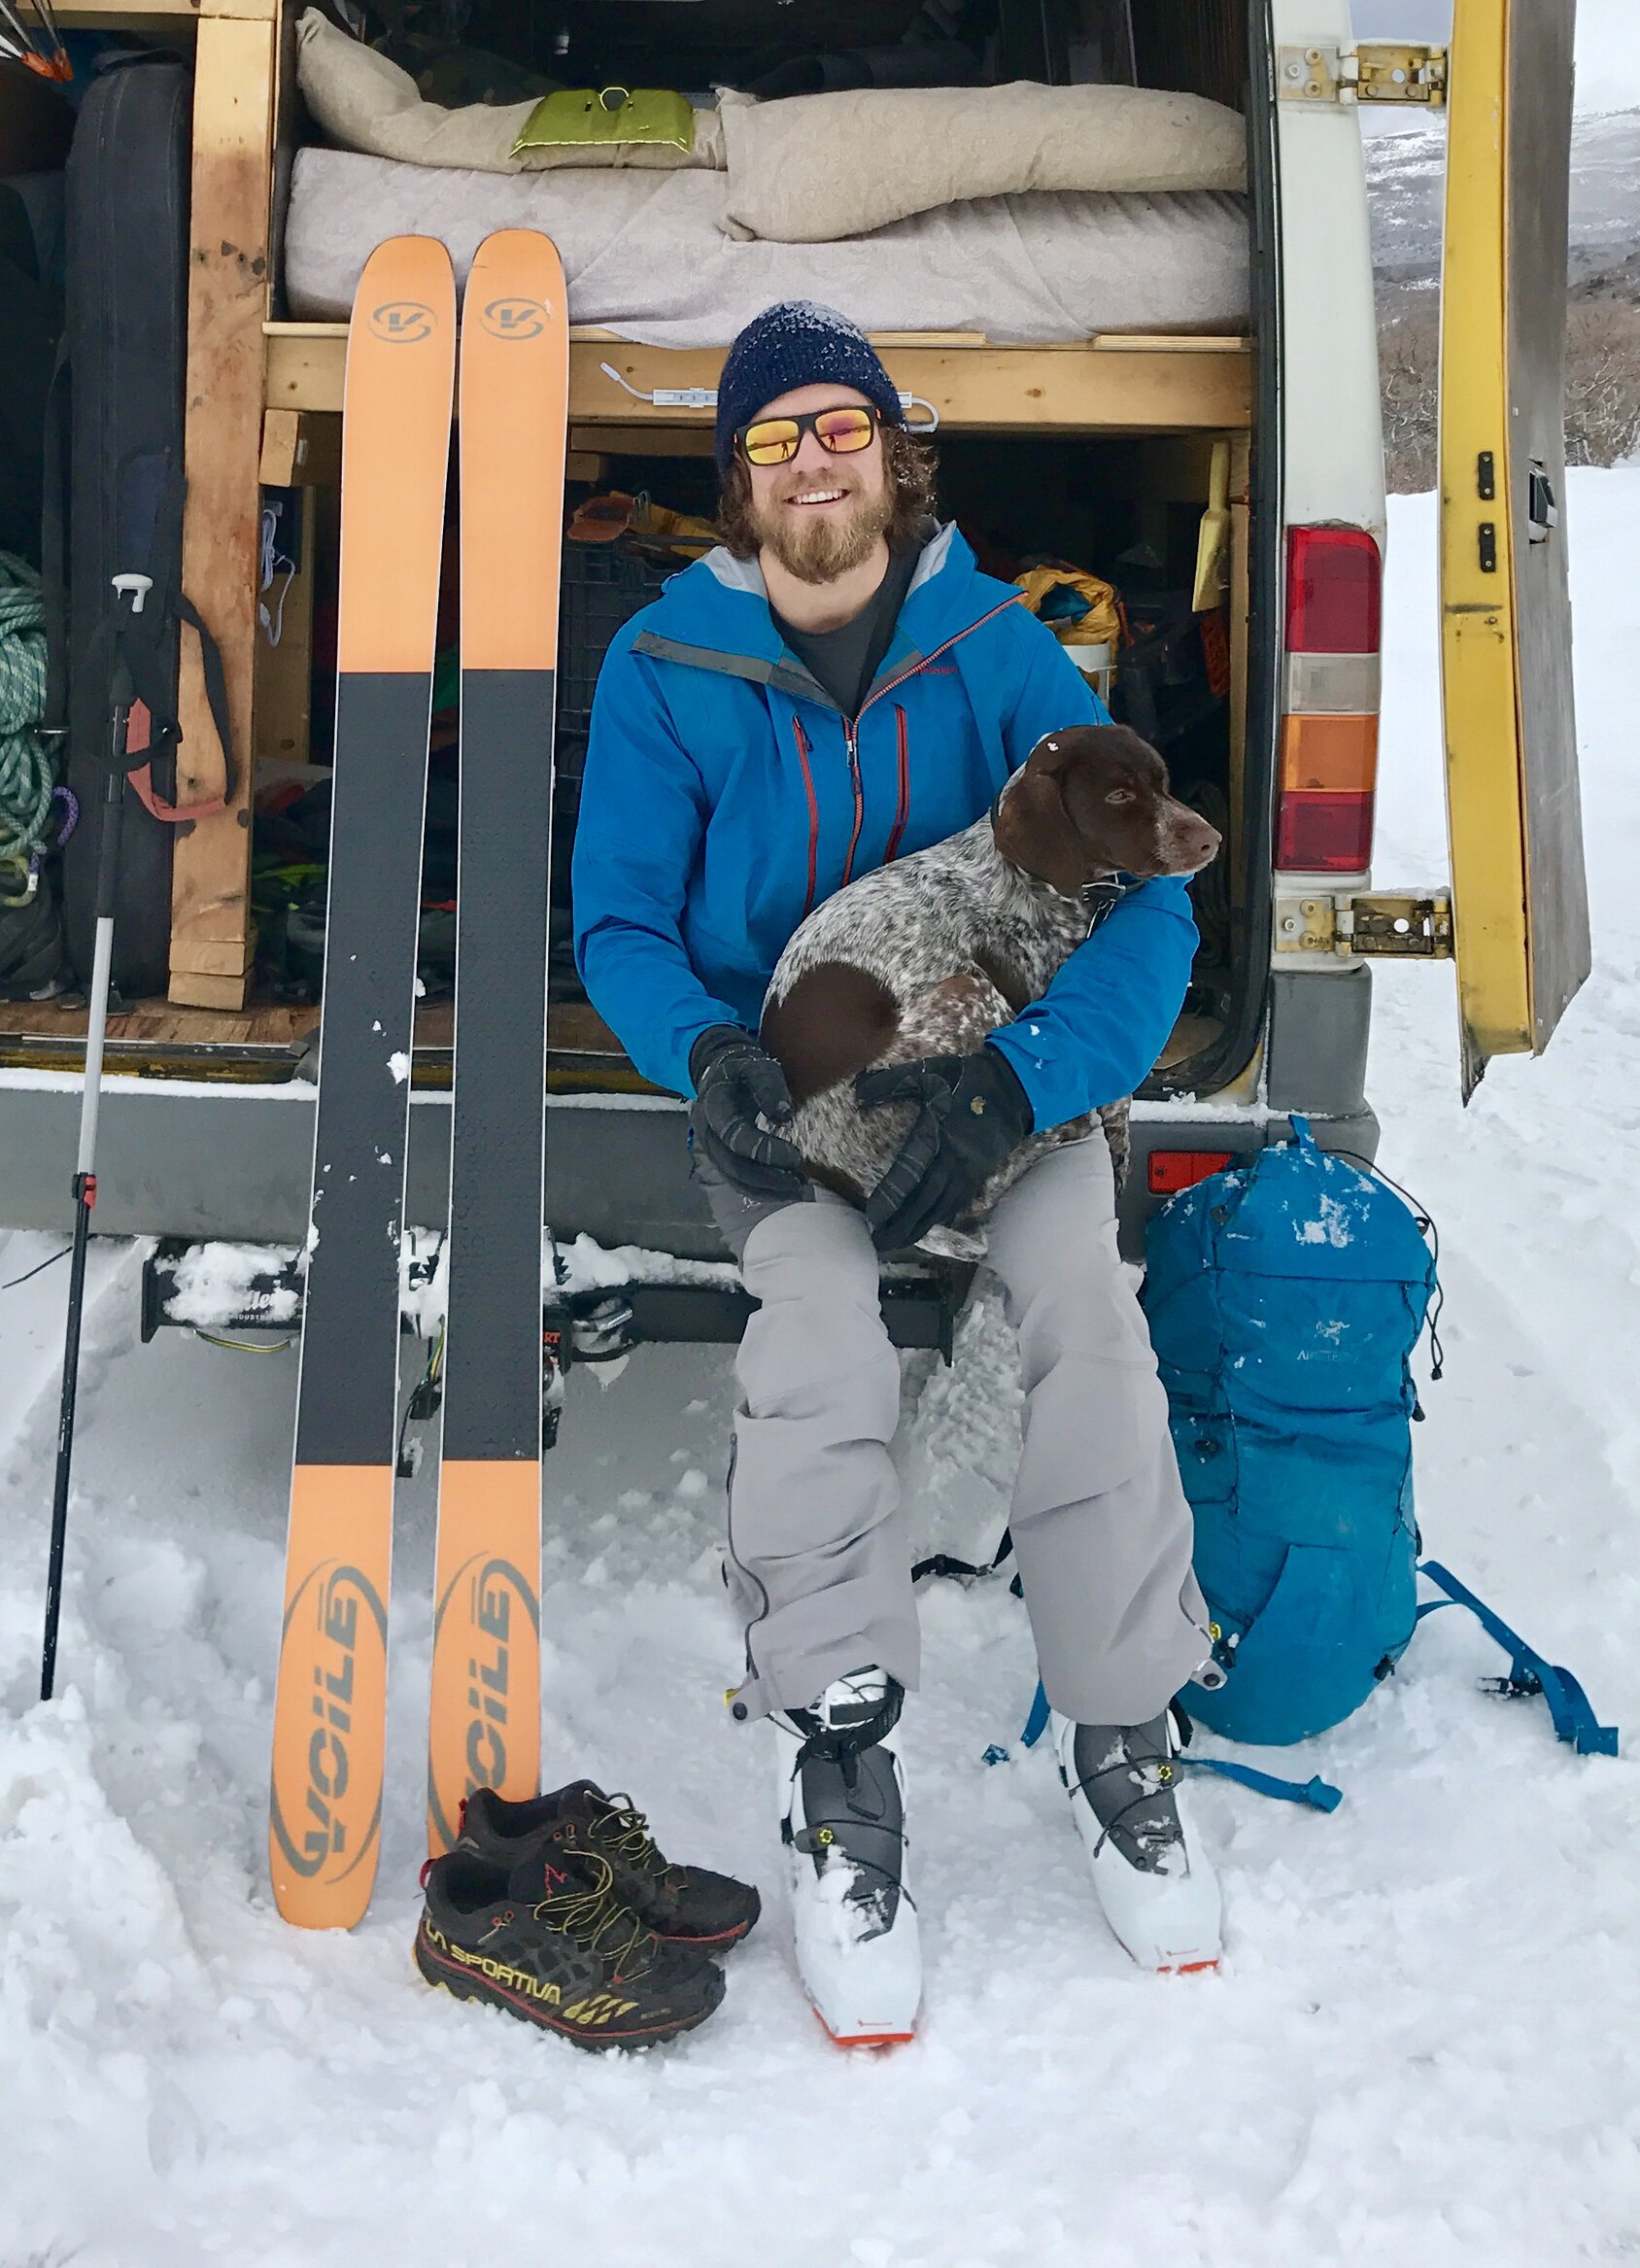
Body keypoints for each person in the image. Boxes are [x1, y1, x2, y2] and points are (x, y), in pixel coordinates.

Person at [570, 301, 1221, 2039]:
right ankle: (842, 1759)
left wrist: (1024, 1084)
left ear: (895, 453)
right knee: (822, 1337)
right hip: (791, 1100)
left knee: (1087, 1307)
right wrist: (704, 1053)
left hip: (1005, 1083)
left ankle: (1120, 1730)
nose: (812, 467)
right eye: (774, 441)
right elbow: (623, 918)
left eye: (840, 431)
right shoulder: (662, 667)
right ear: (735, 480)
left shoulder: (995, 643)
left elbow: (1149, 895)